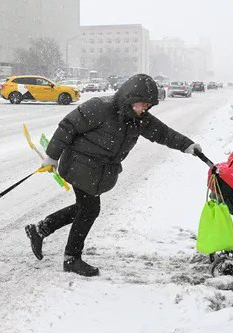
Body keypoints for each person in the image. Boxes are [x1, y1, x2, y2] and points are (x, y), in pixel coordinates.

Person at [25, 74, 202, 277]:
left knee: (85, 209)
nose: (145, 109)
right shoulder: (99, 107)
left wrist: (187, 145)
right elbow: (68, 126)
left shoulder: (139, 119)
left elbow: (163, 133)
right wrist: (52, 157)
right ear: (130, 97)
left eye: (148, 106)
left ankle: (40, 230)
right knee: (89, 210)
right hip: (79, 165)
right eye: (142, 104)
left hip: (97, 171)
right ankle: (71, 258)